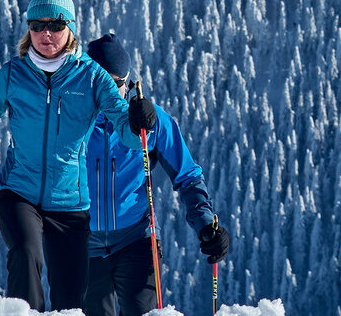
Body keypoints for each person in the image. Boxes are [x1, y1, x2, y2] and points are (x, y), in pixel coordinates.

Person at [0, 0, 155, 311]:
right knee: (24, 252)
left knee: (70, 301)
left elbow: (129, 134)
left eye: (56, 25)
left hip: (71, 204)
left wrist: (141, 121)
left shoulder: (92, 78)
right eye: (37, 26)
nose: (47, 33)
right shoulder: (14, 75)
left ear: (70, 28)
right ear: (28, 30)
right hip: (19, 192)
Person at [82, 33, 232, 316]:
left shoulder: (149, 122)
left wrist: (205, 225)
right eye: (100, 83)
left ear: (128, 83)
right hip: (83, 247)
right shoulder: (70, 121)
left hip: (136, 240)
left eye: (117, 84)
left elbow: (187, 175)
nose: (110, 93)